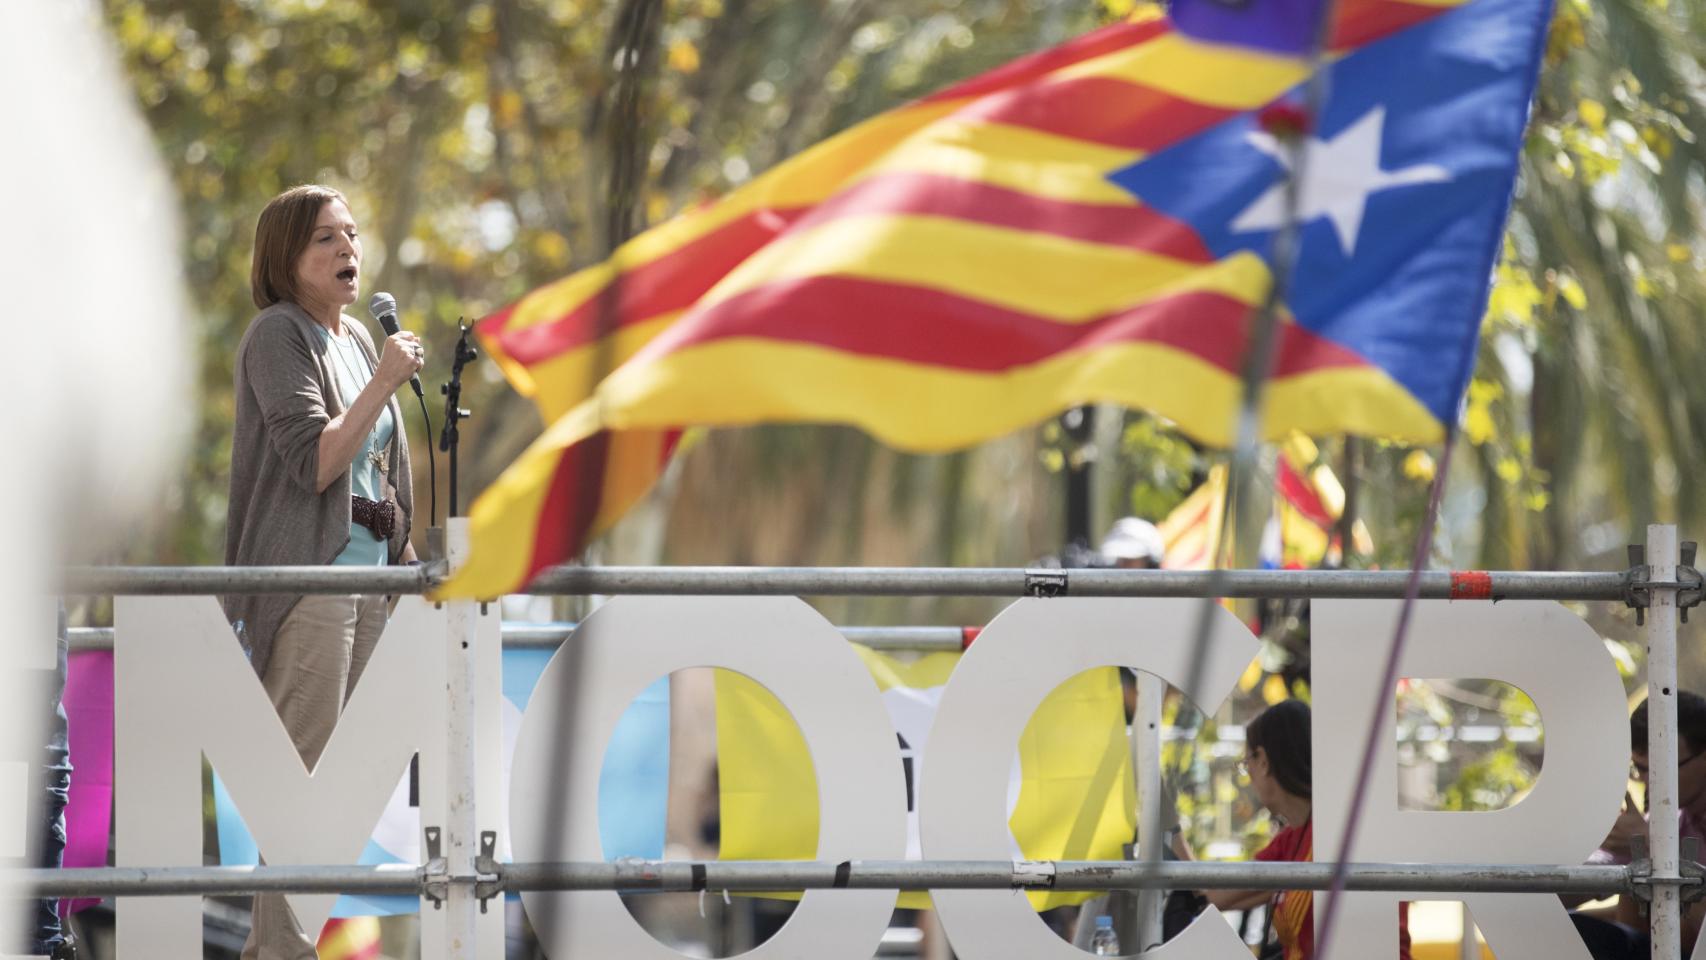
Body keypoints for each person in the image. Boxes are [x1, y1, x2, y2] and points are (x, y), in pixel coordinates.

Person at [223, 184, 422, 959]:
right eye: (323, 241)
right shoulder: (280, 335)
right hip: (310, 587)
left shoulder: (356, 341)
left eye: (350, 234)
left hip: (371, 585)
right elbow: (315, 464)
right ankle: (278, 952)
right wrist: (383, 385)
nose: (347, 250)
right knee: (301, 782)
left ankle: (287, 944)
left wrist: (413, 572)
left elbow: (380, 483)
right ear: (286, 259)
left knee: (342, 795)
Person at [1176, 700, 1412, 960]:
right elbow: (1215, 897)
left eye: (1246, 763)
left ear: (1263, 761)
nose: (1248, 776)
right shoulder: (1291, 838)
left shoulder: (1344, 833)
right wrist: (1172, 829)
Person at [1572, 691, 1706, 958]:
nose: (1648, 781)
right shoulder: (1664, 823)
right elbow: (1566, 886)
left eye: (1661, 767)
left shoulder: (1654, 831)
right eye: (1639, 769)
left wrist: (1651, 847)